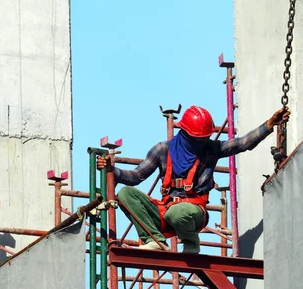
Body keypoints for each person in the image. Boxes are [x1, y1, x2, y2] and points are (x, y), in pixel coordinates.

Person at [97, 105, 290, 253]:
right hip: (166, 210)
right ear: (185, 133)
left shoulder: (211, 149)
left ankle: (191, 241)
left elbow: (242, 144)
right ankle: (155, 241)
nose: (201, 142)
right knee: (124, 193)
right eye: (197, 138)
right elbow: (137, 176)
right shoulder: (162, 150)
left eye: (204, 138)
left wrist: (268, 125)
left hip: (193, 212)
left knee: (177, 213)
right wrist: (112, 169)